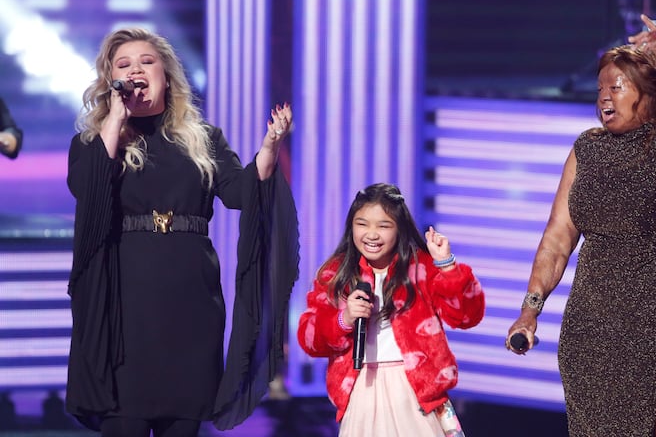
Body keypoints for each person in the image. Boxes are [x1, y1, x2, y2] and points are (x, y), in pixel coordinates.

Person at [65, 27, 299, 436]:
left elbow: (243, 194)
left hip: (191, 299)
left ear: (166, 75)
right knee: (125, 419)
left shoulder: (203, 139)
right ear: (111, 80)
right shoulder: (92, 143)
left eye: (146, 61)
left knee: (183, 422)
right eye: (124, 65)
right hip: (126, 303)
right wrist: (115, 121)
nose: (136, 69)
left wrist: (269, 149)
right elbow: (87, 191)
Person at [506, 14, 656, 437]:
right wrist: (530, 311)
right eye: (600, 88)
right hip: (592, 319)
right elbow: (558, 238)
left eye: (616, 87)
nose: (604, 97)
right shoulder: (587, 148)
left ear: (651, 93)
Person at [297, 183, 485, 437]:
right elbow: (310, 339)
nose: (371, 234)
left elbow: (466, 316)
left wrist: (447, 266)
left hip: (415, 391)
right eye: (362, 224)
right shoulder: (335, 273)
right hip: (361, 389)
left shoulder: (421, 268)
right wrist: (345, 318)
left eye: (383, 226)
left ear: (399, 229)